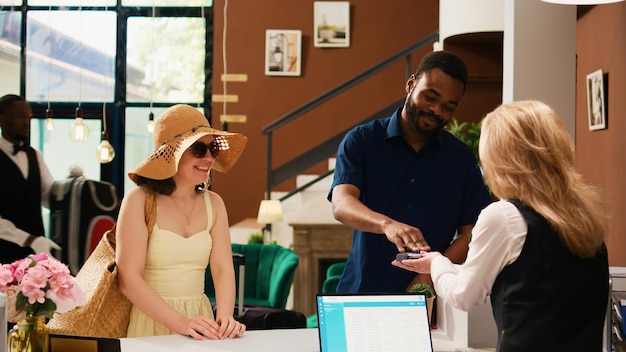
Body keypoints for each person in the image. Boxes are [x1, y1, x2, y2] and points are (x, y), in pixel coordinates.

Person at [393, 100, 609, 351]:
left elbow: (464, 296)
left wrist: (435, 263)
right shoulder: (584, 218)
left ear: (501, 158)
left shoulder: (505, 217)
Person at [328, 50, 492, 293]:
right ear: (411, 84)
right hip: (362, 291)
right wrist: (387, 225)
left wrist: (431, 272)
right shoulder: (362, 140)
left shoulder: (461, 158)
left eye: (448, 106)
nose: (436, 110)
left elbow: (473, 233)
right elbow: (341, 205)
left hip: (427, 298)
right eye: (430, 97)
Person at [117, 104, 248, 339]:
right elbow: (128, 279)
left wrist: (226, 317)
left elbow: (222, 268)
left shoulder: (215, 203)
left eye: (213, 148)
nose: (208, 158)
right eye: (198, 149)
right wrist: (181, 323)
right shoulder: (138, 200)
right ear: (173, 153)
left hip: (201, 320)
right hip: (151, 321)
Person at [0, 94, 60, 264]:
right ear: (1, 119)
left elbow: (50, 196)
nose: (27, 122)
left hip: (35, 255)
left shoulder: (35, 155)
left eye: (28, 117)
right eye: (20, 117)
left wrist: (73, 186)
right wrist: (29, 239)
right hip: (3, 253)